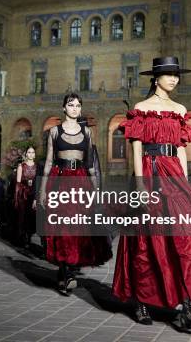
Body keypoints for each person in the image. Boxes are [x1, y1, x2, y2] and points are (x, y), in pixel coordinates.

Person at [111, 57, 191, 330]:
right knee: (146, 239)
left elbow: (180, 148)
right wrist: (142, 185)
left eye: (176, 74)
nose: (174, 79)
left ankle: (188, 306)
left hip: (174, 175)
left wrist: (187, 185)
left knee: (184, 238)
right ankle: (142, 302)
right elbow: (136, 148)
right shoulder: (141, 109)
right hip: (149, 171)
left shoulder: (180, 109)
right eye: (168, 74)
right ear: (155, 78)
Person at [38, 93, 113, 296]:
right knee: (61, 228)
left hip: (80, 181)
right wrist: (43, 191)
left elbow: (89, 164)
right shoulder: (54, 131)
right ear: (64, 108)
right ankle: (66, 273)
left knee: (78, 227)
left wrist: (97, 190)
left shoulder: (87, 132)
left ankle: (67, 272)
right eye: (71, 105)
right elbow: (48, 163)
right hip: (59, 180)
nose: (75, 108)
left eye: (78, 105)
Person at [13, 147, 39, 247]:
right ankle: (23, 238)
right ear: (26, 154)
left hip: (33, 194)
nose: (31, 154)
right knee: (23, 216)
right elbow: (18, 184)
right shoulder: (21, 166)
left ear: (34, 154)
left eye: (33, 152)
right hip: (23, 194)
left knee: (32, 216)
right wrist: (17, 198)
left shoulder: (37, 167)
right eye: (29, 152)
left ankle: (29, 235)